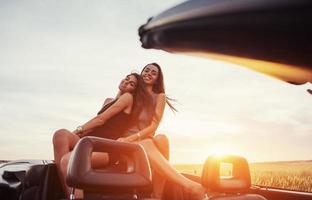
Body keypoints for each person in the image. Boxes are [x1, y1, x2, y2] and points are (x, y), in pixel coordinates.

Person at [118, 63, 206, 199]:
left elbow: (154, 126)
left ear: (157, 79)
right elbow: (115, 110)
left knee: (162, 138)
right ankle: (189, 186)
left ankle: (157, 195)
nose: (148, 73)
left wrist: (135, 138)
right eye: (146, 70)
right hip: (126, 140)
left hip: (144, 138)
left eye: (153, 73)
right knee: (148, 143)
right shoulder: (133, 93)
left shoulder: (159, 97)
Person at [52, 73, 144, 197]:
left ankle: (75, 195)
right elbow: (97, 126)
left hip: (106, 148)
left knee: (67, 161)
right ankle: (69, 193)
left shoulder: (128, 97)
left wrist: (77, 131)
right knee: (61, 135)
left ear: (134, 90)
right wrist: (77, 136)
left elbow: (101, 119)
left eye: (131, 84)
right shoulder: (108, 101)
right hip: (89, 142)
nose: (127, 82)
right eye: (126, 79)